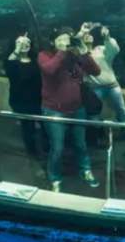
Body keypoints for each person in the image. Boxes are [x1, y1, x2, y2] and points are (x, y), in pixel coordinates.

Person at [38, 28, 102, 192]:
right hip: (54, 110)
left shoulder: (75, 56)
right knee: (57, 147)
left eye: (68, 39)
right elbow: (49, 70)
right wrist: (63, 51)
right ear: (53, 42)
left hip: (77, 108)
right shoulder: (45, 55)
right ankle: (55, 178)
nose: (65, 42)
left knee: (81, 143)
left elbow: (96, 71)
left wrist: (83, 51)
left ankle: (85, 170)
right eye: (61, 39)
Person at [4, 33, 45, 166]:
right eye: (20, 42)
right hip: (21, 101)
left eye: (27, 41)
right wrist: (17, 49)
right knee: (28, 128)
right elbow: (9, 65)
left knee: (45, 126)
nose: (24, 44)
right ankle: (32, 154)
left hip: (39, 99)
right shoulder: (11, 61)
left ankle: (46, 150)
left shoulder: (36, 59)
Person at [82, 22, 125, 125]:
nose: (88, 36)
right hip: (94, 87)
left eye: (90, 34)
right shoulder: (81, 52)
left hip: (112, 85)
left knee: (122, 110)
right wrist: (81, 33)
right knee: (93, 113)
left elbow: (114, 49)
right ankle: (96, 133)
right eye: (86, 35)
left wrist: (107, 37)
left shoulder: (101, 49)